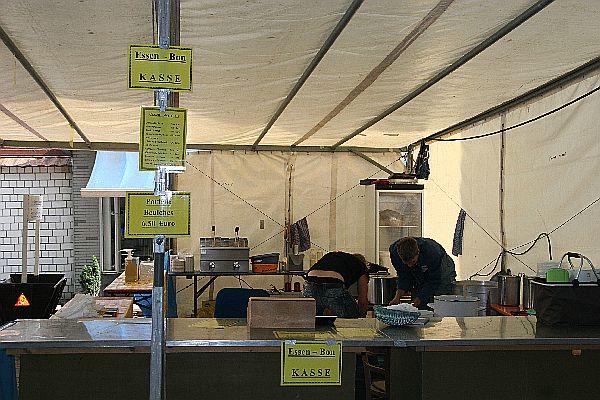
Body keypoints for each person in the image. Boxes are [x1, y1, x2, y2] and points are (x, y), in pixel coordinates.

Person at [388, 236, 456, 309]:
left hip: (442, 268)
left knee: (440, 299)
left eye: (412, 262)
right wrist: (397, 298)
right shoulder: (394, 253)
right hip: (421, 266)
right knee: (417, 301)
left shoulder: (431, 252)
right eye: (406, 263)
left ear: (418, 252)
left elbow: (434, 280)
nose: (409, 265)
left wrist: (419, 299)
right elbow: (403, 276)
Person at [303, 251, 369, 318]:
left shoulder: (336, 257)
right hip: (332, 284)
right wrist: (362, 319)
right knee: (352, 318)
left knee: (312, 321)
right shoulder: (361, 266)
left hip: (309, 283)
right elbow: (362, 300)